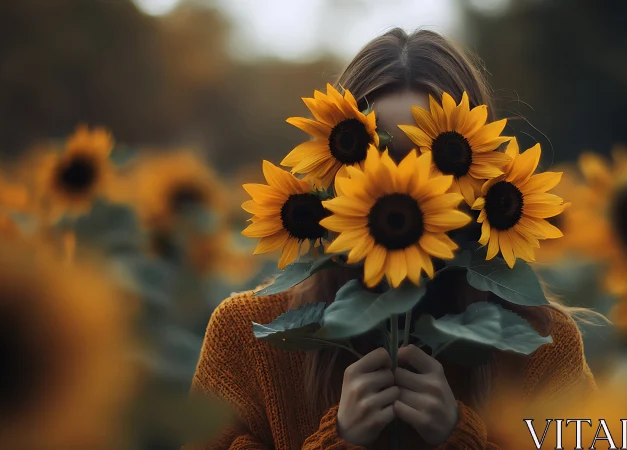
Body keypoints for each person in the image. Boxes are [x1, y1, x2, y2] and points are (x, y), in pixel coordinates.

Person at [184, 28, 597, 450]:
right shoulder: (249, 341)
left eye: (432, 162)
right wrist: (339, 442)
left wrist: (457, 439)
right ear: (332, 172)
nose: (401, 183)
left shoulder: (540, 348)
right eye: (375, 157)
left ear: (482, 176)